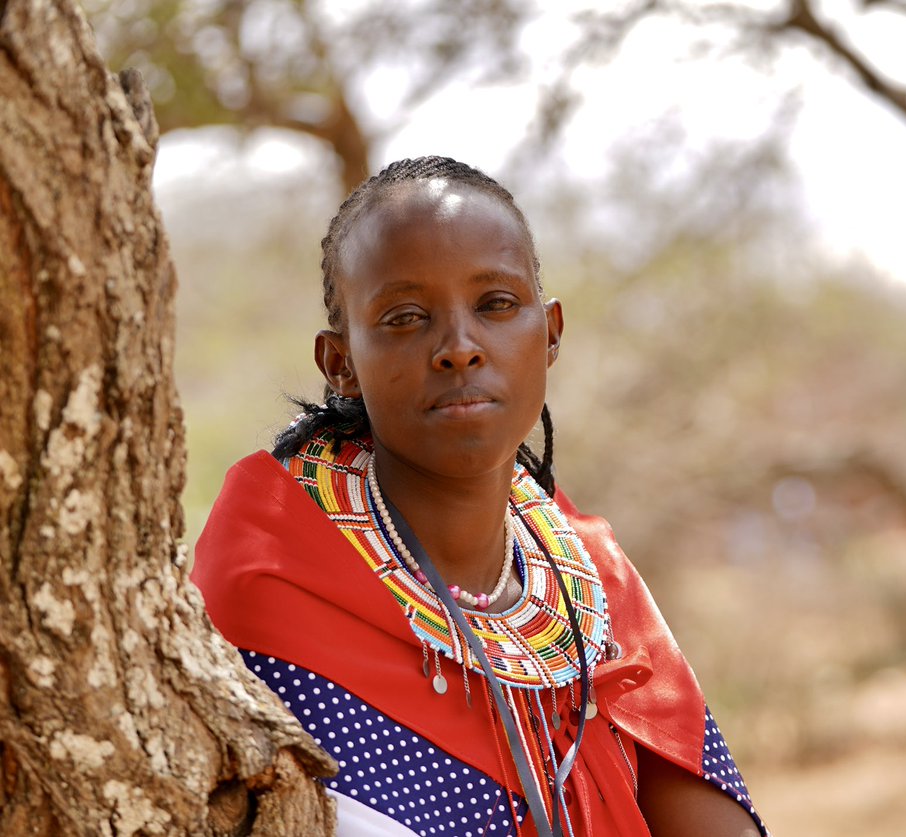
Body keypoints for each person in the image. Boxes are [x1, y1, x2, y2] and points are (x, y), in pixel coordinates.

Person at [193, 156, 768, 837]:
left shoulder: (587, 576)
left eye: (496, 305)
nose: (459, 348)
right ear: (340, 363)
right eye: (406, 317)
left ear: (549, 333)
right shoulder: (272, 570)